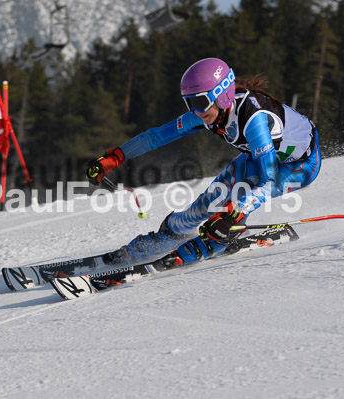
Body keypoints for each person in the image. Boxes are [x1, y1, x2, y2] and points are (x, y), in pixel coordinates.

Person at [85, 58, 321, 268]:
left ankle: (217, 240)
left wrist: (232, 217)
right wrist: (115, 157)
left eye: (199, 102)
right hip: (259, 157)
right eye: (189, 103)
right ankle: (173, 233)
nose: (195, 111)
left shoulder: (254, 120)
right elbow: (155, 137)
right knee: (206, 204)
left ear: (222, 95)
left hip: (300, 165)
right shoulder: (210, 112)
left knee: (237, 203)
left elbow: (268, 180)